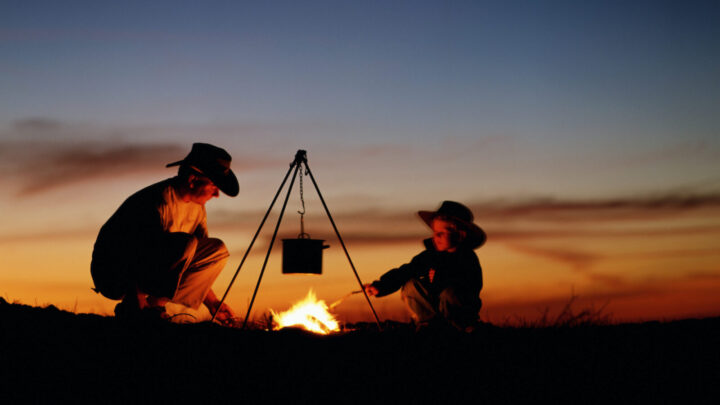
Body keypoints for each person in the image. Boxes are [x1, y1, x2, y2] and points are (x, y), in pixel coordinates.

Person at [91, 143, 238, 324]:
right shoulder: (158, 202)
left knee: (217, 251)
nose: (217, 194)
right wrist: (135, 298)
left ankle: (155, 305)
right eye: (214, 185)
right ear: (192, 180)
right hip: (114, 273)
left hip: (149, 274)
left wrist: (213, 303)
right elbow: (130, 252)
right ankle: (138, 308)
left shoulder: (198, 209)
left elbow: (198, 262)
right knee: (187, 244)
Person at [364, 201, 486, 331]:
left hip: (460, 310)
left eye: (441, 233)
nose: (436, 237)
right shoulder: (430, 256)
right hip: (434, 306)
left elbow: (469, 286)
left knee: (450, 293)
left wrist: (443, 277)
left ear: (460, 235)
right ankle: (428, 325)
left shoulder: (467, 258)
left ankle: (460, 327)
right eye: (434, 232)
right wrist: (381, 286)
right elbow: (407, 271)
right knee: (411, 284)